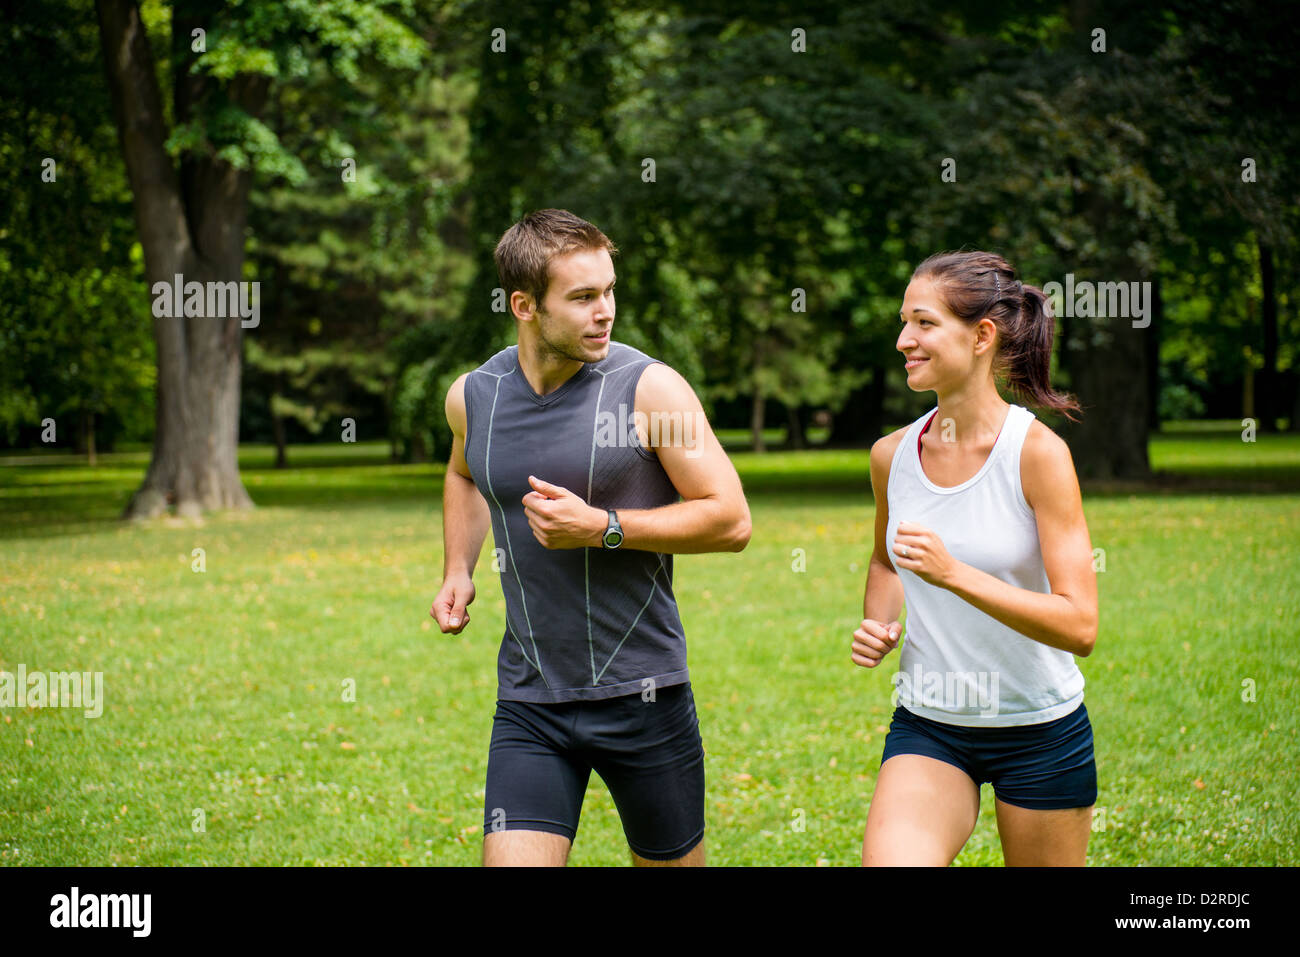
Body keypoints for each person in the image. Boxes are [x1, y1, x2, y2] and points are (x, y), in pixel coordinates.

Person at [431, 209, 751, 867]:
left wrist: (603, 528)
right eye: (582, 297)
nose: (605, 311)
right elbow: (464, 472)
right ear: (524, 305)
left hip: (643, 693)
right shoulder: (474, 396)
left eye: (608, 290)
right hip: (531, 698)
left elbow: (731, 518)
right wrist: (456, 567)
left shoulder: (651, 389)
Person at [851, 250, 1099, 866]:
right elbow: (887, 560)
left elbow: (1079, 624)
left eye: (924, 323)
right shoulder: (891, 455)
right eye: (904, 321)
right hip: (930, 725)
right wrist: (881, 621)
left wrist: (954, 574)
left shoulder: (1037, 454)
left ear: (982, 335)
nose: (904, 339)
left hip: (1040, 729)